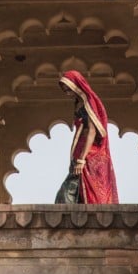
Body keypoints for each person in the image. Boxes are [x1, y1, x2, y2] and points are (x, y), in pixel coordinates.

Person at [56, 70, 118, 204]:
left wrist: (82, 160)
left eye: (69, 90)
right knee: (73, 195)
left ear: (76, 86)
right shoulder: (80, 103)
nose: (68, 94)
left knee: (66, 196)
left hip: (88, 156)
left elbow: (92, 131)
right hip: (80, 154)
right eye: (65, 91)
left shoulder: (89, 103)